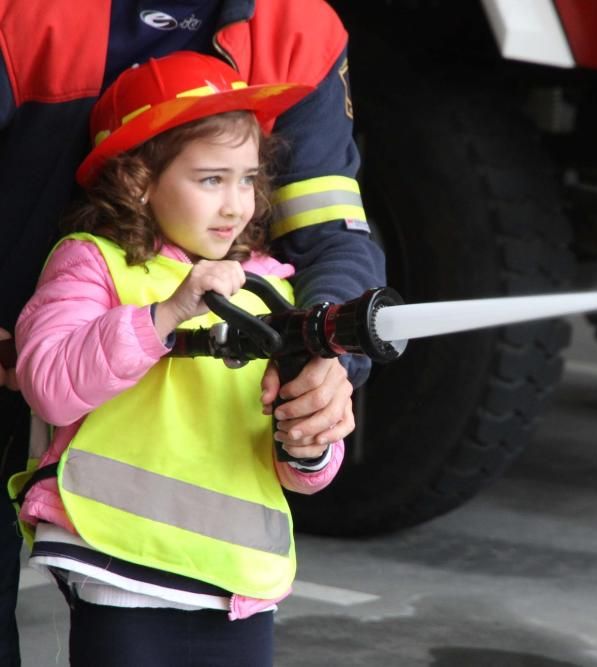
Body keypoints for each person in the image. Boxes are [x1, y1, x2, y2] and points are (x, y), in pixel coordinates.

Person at [0, 2, 384, 663]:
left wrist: (324, 371)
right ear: (139, 183)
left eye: (249, 179)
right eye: (214, 179)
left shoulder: (297, 26)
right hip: (115, 558)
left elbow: (331, 239)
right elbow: (56, 382)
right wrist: (161, 317)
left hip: (234, 587)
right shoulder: (26, 12)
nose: (237, 203)